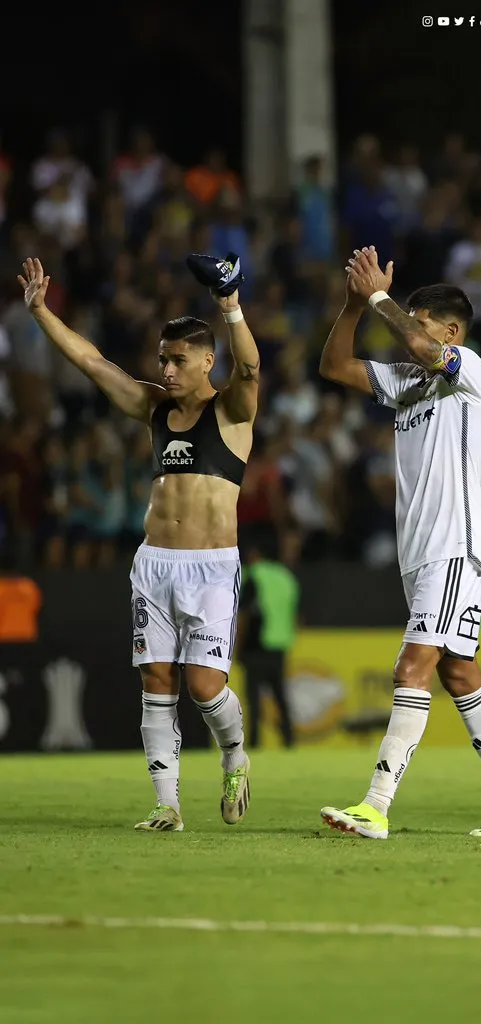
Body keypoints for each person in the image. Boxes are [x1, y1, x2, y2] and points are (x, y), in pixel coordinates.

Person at [18, 257, 258, 833]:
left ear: (207, 360)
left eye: (178, 360)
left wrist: (230, 305)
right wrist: (41, 312)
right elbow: (91, 361)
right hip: (154, 565)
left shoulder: (231, 410)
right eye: (162, 360)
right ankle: (167, 804)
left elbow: (250, 367)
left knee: (205, 688)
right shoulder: (153, 408)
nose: (168, 370)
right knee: (156, 680)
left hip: (210, 568)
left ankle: (235, 753)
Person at [317, 245, 481, 839]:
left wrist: (379, 298)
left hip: (452, 542)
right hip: (417, 551)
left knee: (411, 666)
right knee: (459, 673)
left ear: (450, 331)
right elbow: (335, 366)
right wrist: (351, 307)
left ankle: (376, 805)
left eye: (420, 321)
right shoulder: (407, 384)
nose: (408, 331)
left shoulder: (470, 371)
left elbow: (420, 347)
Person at [238, 532, 300, 748]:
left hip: (256, 645)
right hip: (280, 644)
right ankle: (289, 740)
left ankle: (254, 743)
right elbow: (294, 613)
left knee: (253, 699)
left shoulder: (253, 576)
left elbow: (244, 614)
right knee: (281, 697)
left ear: (255, 554)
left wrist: (238, 646)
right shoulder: (286, 578)